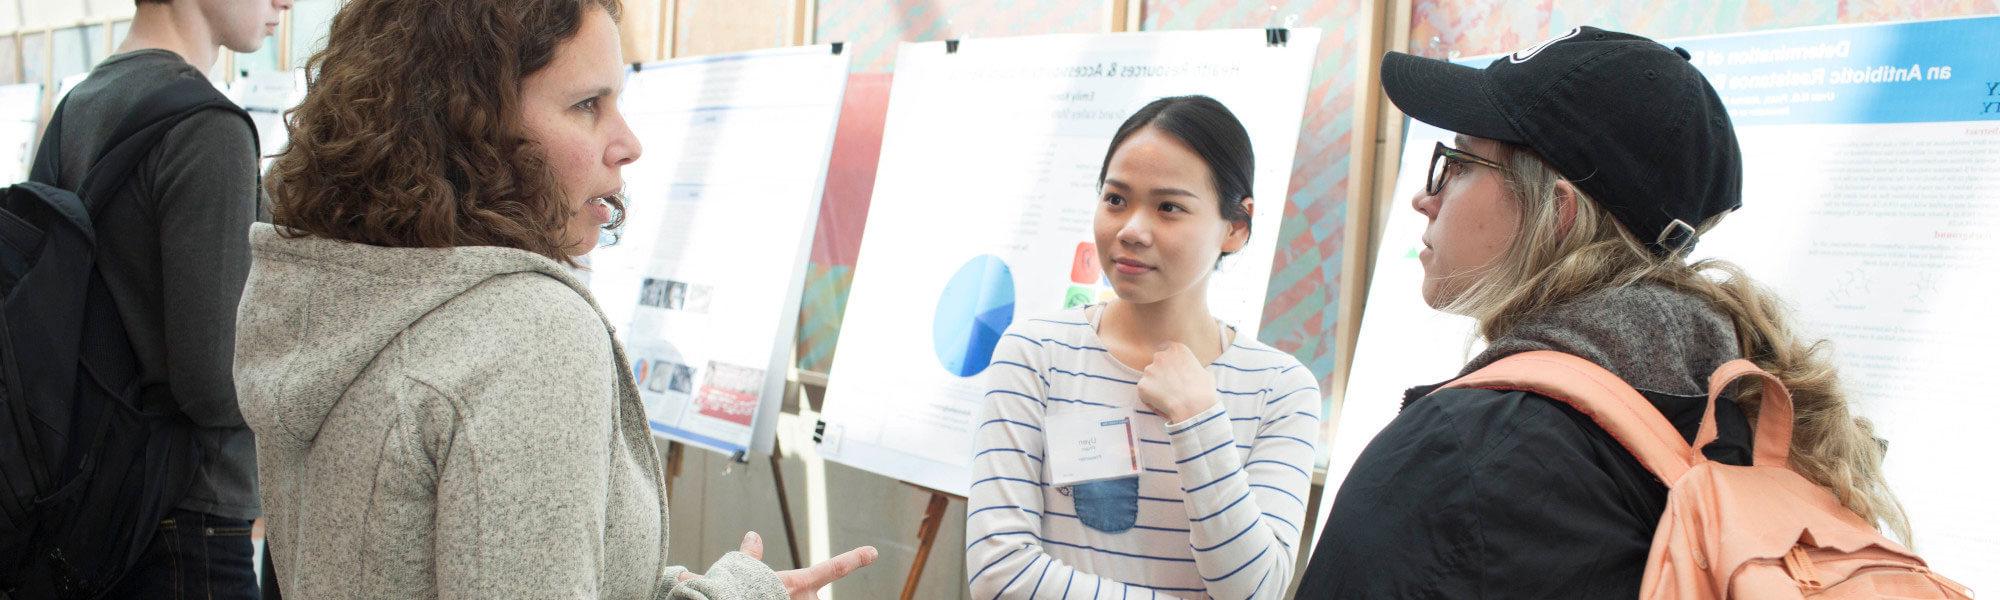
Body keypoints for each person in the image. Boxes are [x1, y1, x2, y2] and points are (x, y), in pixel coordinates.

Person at [230, 0, 874, 596]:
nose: (628, 142)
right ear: (468, 124)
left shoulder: (337, 294)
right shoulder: (529, 334)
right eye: (587, 104)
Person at [1298, 27, 1908, 597]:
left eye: (1458, 164)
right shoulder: (1745, 412)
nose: (1424, 198)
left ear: (1554, 213)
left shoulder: (1463, 454)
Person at [966, 95, 1321, 599]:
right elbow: (999, 574)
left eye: (1168, 207)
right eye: (1115, 199)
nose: (1131, 229)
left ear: (1236, 227)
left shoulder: (1281, 391)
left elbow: (1253, 589)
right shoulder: (1036, 353)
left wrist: (1197, 419)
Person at [41, 0, 291, 596]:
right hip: (191, 526)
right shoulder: (209, 127)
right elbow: (212, 382)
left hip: (85, 515)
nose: (287, 2)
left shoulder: (77, 106)